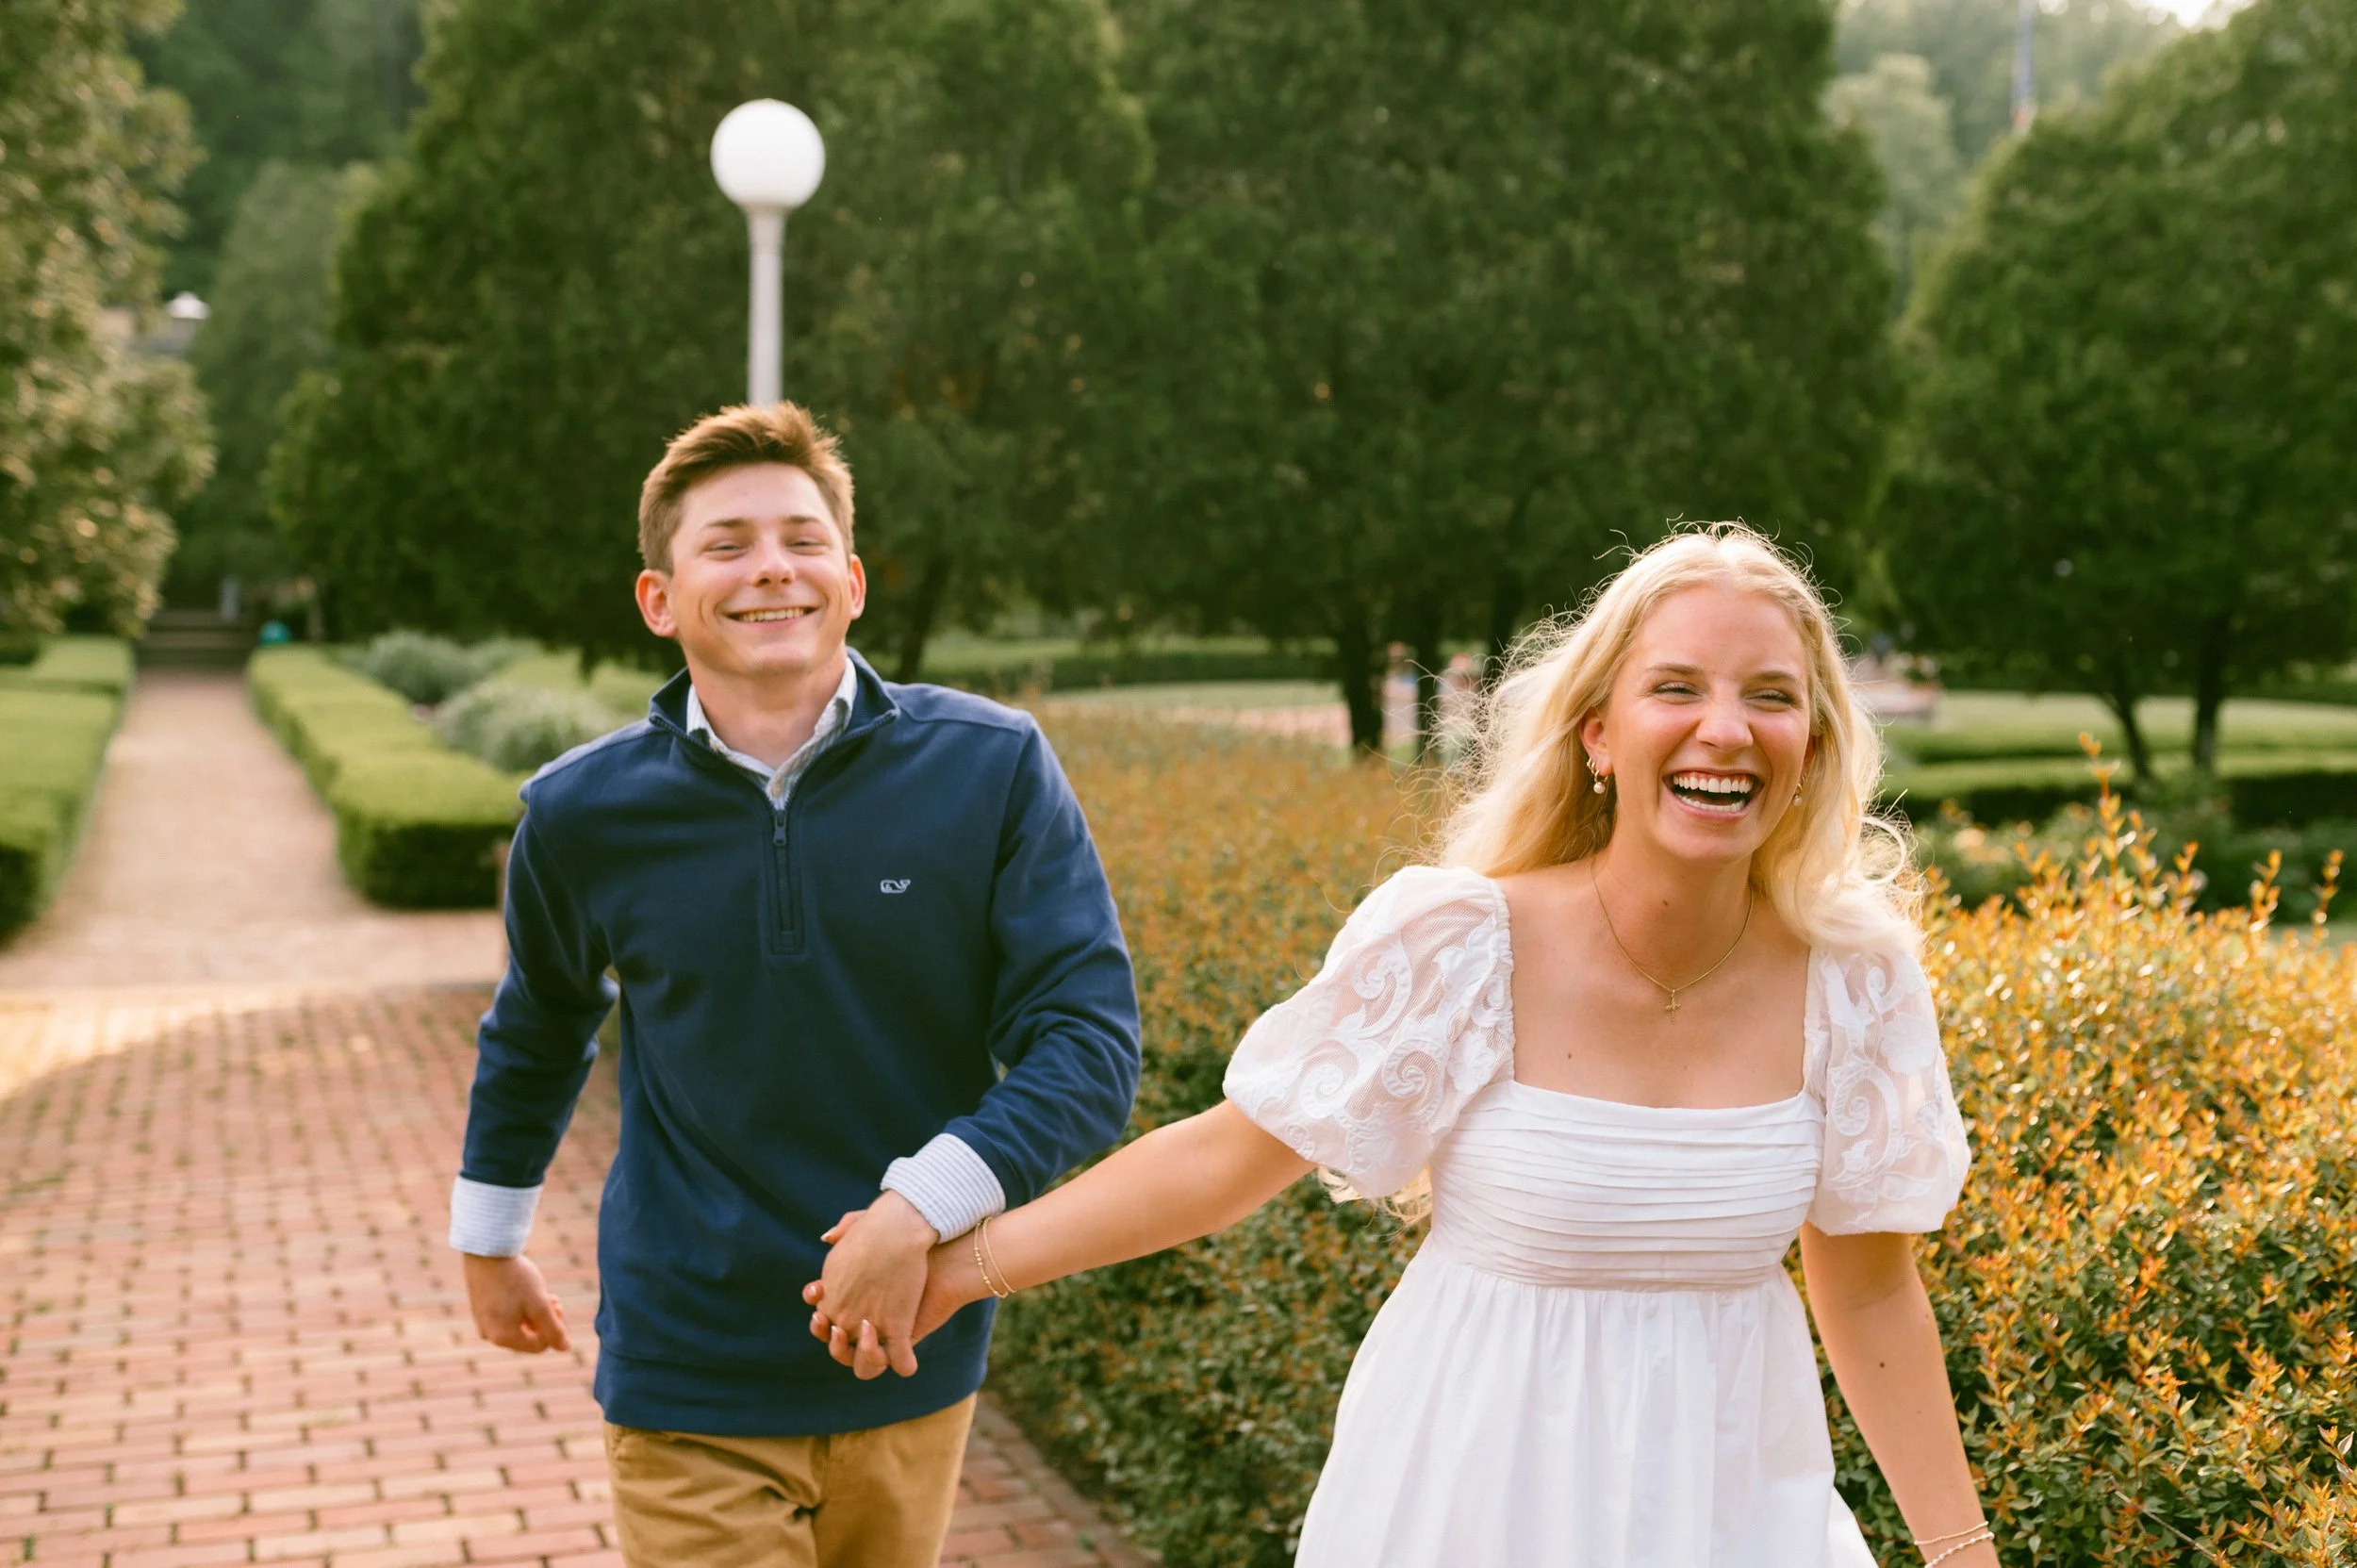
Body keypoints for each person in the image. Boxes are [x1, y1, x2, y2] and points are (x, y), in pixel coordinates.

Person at [815, 524, 1991, 1567]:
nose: (1725, 729)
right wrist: (950, 1267)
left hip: (1737, 1505)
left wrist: (1959, 1554)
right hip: (1466, 1497)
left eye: (1771, 696)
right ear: (1598, 733)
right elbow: (1220, 1163)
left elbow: (1871, 1288)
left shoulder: (1856, 978)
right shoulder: (1461, 941)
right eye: (1674, 686)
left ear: (1814, 745)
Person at [453, 402, 1141, 1568]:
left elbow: (1086, 1039)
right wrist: (488, 1235)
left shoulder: (994, 766)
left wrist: (916, 1208)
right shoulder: (579, 813)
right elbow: (540, 1025)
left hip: (911, 1343)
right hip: (688, 1359)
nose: (771, 566)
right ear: (660, 599)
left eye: (802, 538)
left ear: (854, 581)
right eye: (726, 543)